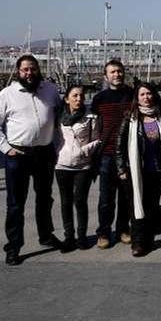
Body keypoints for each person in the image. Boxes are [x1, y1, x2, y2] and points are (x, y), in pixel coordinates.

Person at [0, 54, 62, 265]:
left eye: (33, 69)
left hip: (44, 153)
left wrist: (57, 145)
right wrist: (6, 148)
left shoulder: (50, 90)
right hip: (18, 155)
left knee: (45, 198)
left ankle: (46, 236)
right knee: (15, 203)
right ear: (18, 72)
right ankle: (14, 246)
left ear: (39, 70)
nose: (29, 73)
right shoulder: (7, 94)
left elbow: (59, 117)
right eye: (25, 70)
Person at [116, 84, 161, 257]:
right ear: (137, 98)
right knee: (136, 206)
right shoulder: (130, 118)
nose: (146, 97)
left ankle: (149, 239)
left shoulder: (160, 116)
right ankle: (138, 243)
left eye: (149, 93)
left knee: (152, 206)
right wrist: (121, 168)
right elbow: (120, 145)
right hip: (135, 170)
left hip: (157, 169)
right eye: (142, 94)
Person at [91, 60, 133, 249]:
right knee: (106, 198)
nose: (117, 74)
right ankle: (104, 232)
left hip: (128, 153)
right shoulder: (99, 98)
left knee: (126, 195)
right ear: (106, 76)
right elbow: (92, 126)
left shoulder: (132, 95)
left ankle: (123, 229)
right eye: (113, 72)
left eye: (120, 71)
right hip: (106, 155)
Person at [54, 85, 101, 252]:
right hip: (62, 164)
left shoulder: (91, 116)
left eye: (81, 96)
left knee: (80, 201)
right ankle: (69, 237)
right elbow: (52, 137)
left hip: (83, 165)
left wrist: (83, 152)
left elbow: (97, 139)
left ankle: (82, 237)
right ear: (67, 98)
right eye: (74, 96)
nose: (78, 99)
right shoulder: (58, 116)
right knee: (65, 202)